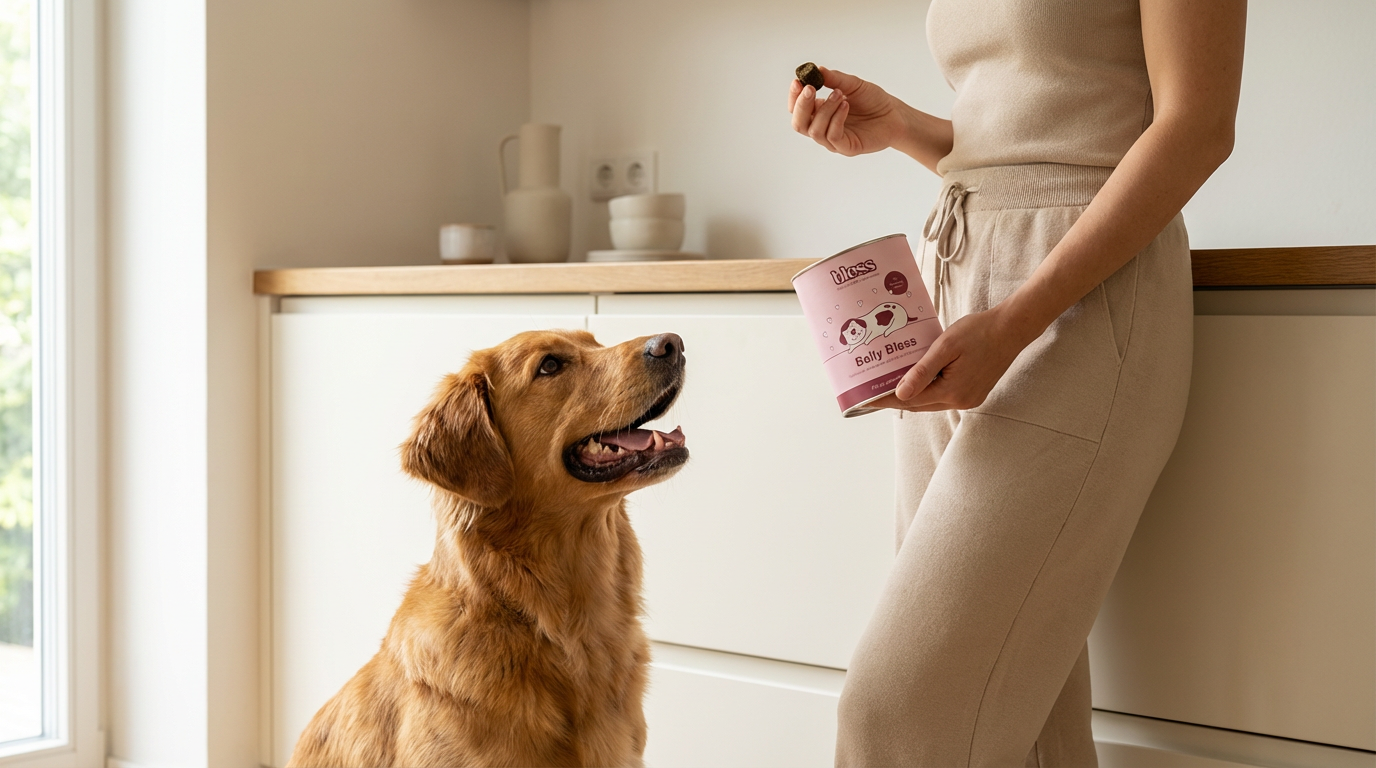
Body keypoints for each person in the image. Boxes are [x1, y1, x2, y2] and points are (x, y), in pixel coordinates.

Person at [787, 1, 1246, 765]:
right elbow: (1024, 139)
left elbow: (1197, 127)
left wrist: (1016, 320)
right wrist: (901, 125)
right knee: (1029, 730)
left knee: (898, 714)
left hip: (1081, 295)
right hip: (955, 271)